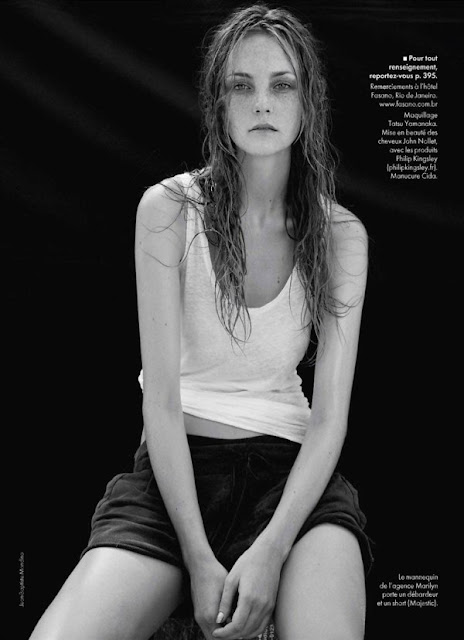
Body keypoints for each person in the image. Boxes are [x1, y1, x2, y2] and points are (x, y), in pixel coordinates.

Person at [29, 4, 373, 640]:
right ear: (219, 103)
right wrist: (195, 554)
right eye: (242, 85)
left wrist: (271, 550)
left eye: (282, 85)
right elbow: (160, 400)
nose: (262, 103)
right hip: (175, 476)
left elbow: (330, 419)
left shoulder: (340, 234)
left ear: (308, 104)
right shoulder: (167, 209)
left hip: (290, 478)